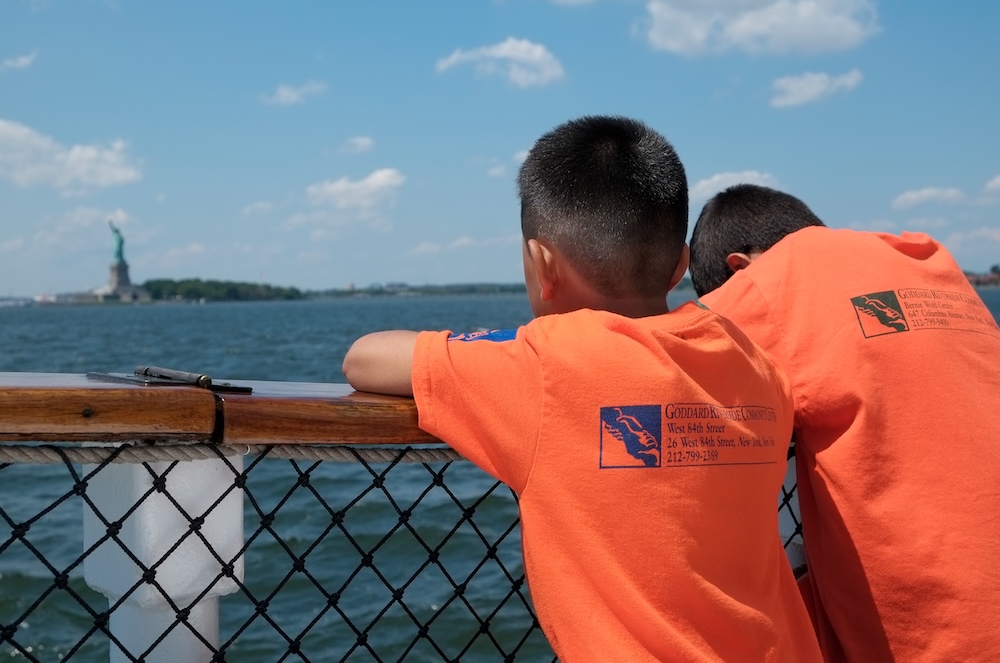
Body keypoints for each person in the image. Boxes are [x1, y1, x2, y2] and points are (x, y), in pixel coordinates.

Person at [343, 117, 822, 661]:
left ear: (542, 263)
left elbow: (364, 358)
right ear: (680, 267)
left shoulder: (544, 365)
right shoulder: (754, 361)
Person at [689, 184, 1000, 662]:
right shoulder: (926, 258)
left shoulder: (775, 279)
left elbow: (654, 366)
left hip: (948, 638)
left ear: (741, 269)